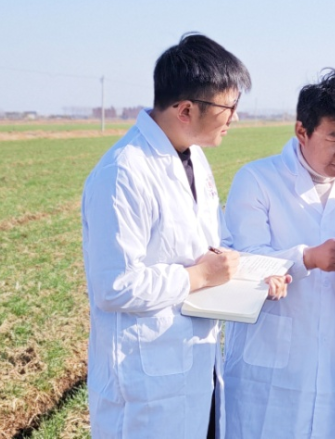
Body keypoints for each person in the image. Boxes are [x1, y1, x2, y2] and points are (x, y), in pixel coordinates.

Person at [80, 33, 289, 439]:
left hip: (196, 369)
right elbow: (114, 285)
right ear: (187, 109)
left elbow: (213, 247)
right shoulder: (123, 173)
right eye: (229, 107)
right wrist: (198, 276)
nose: (235, 118)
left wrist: (252, 279)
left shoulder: (194, 157)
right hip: (145, 386)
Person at [222, 69, 335, 438]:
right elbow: (242, 261)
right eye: (334, 138)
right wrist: (307, 259)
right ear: (302, 131)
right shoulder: (257, 180)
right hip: (265, 371)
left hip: (333, 367)